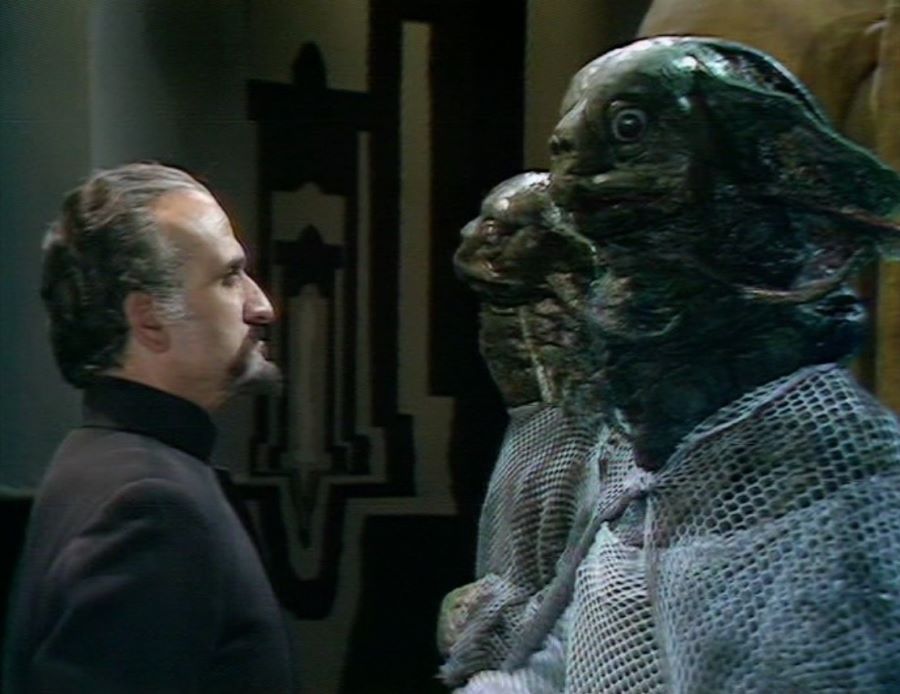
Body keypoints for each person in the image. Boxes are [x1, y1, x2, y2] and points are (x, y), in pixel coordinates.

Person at [2, 162, 294, 693]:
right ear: (150, 318)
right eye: (229, 278)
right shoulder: (153, 506)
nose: (262, 306)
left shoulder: (103, 458)